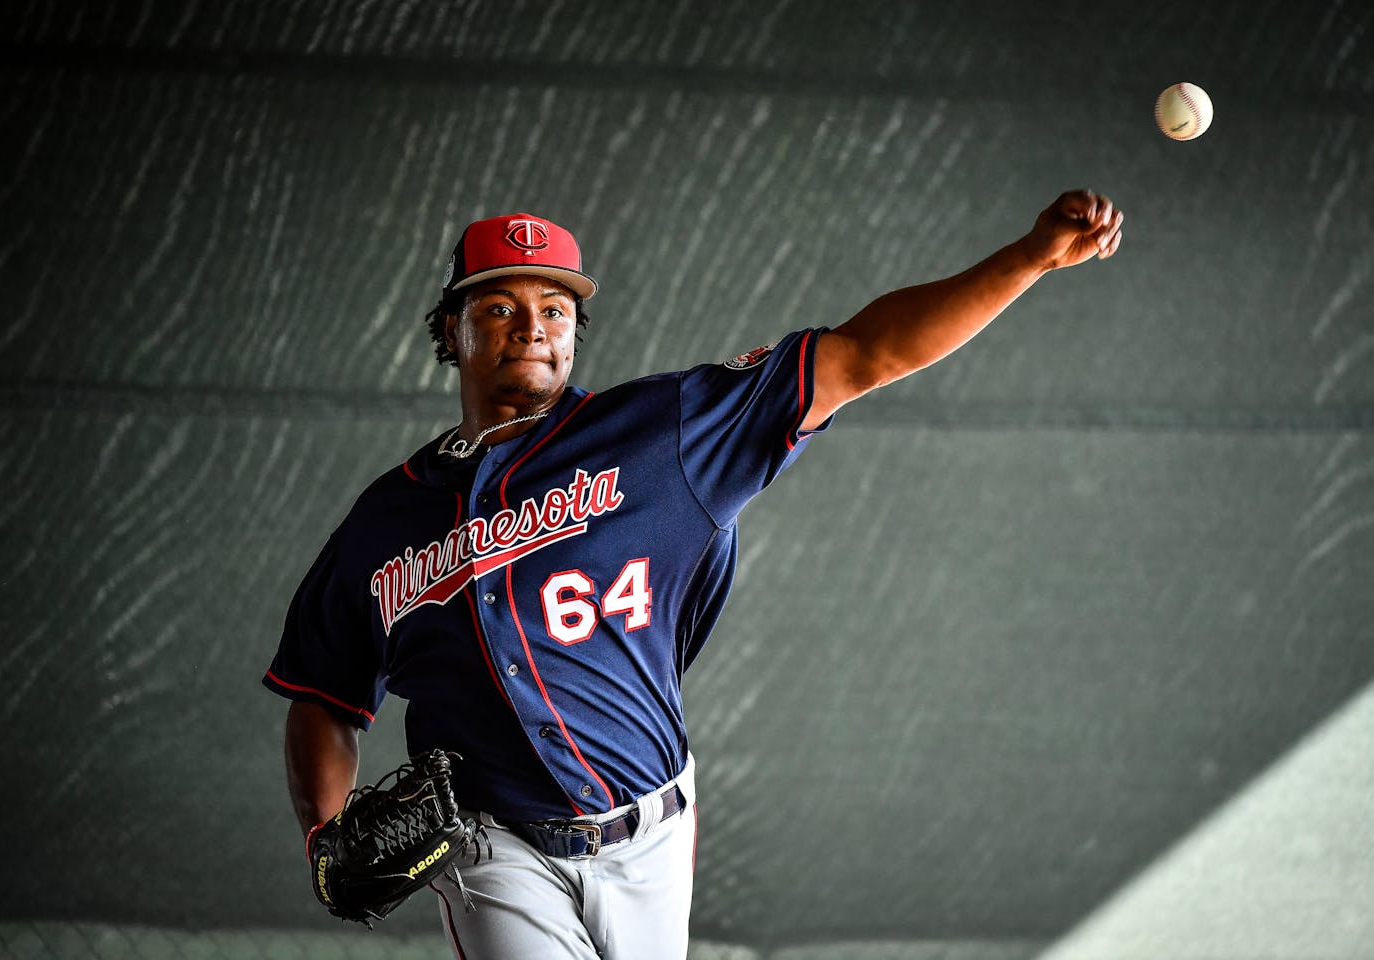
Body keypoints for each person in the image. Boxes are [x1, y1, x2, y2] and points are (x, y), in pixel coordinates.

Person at [263, 192, 1123, 958]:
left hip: (652, 837)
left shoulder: (663, 434)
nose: (532, 326)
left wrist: (1030, 257)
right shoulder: (384, 522)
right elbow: (324, 697)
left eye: (555, 308)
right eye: (498, 306)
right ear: (450, 331)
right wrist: (324, 836)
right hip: (495, 851)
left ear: (575, 332)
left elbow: (864, 355)